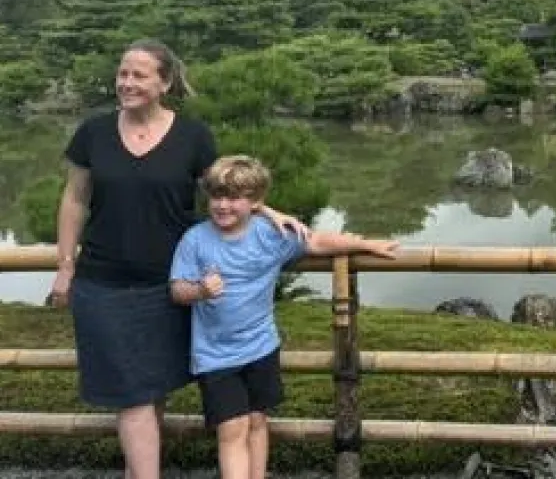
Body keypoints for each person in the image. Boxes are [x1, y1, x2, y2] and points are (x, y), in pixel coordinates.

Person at [46, 39, 309, 479]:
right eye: (122, 73)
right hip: (103, 283)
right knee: (132, 396)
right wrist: (64, 265)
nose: (126, 83)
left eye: (139, 75)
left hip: (171, 287)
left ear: (165, 82)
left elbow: (227, 189)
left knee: (152, 392)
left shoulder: (192, 136)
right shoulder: (93, 132)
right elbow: (74, 199)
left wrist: (270, 211)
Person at [168, 154, 399, 479]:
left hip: (261, 347)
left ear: (256, 202)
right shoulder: (195, 240)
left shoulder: (270, 235)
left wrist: (364, 243)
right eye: (217, 196)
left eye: (234, 198)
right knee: (231, 428)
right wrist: (200, 292)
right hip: (216, 355)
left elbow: (317, 240)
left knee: (258, 421)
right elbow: (177, 290)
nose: (223, 205)